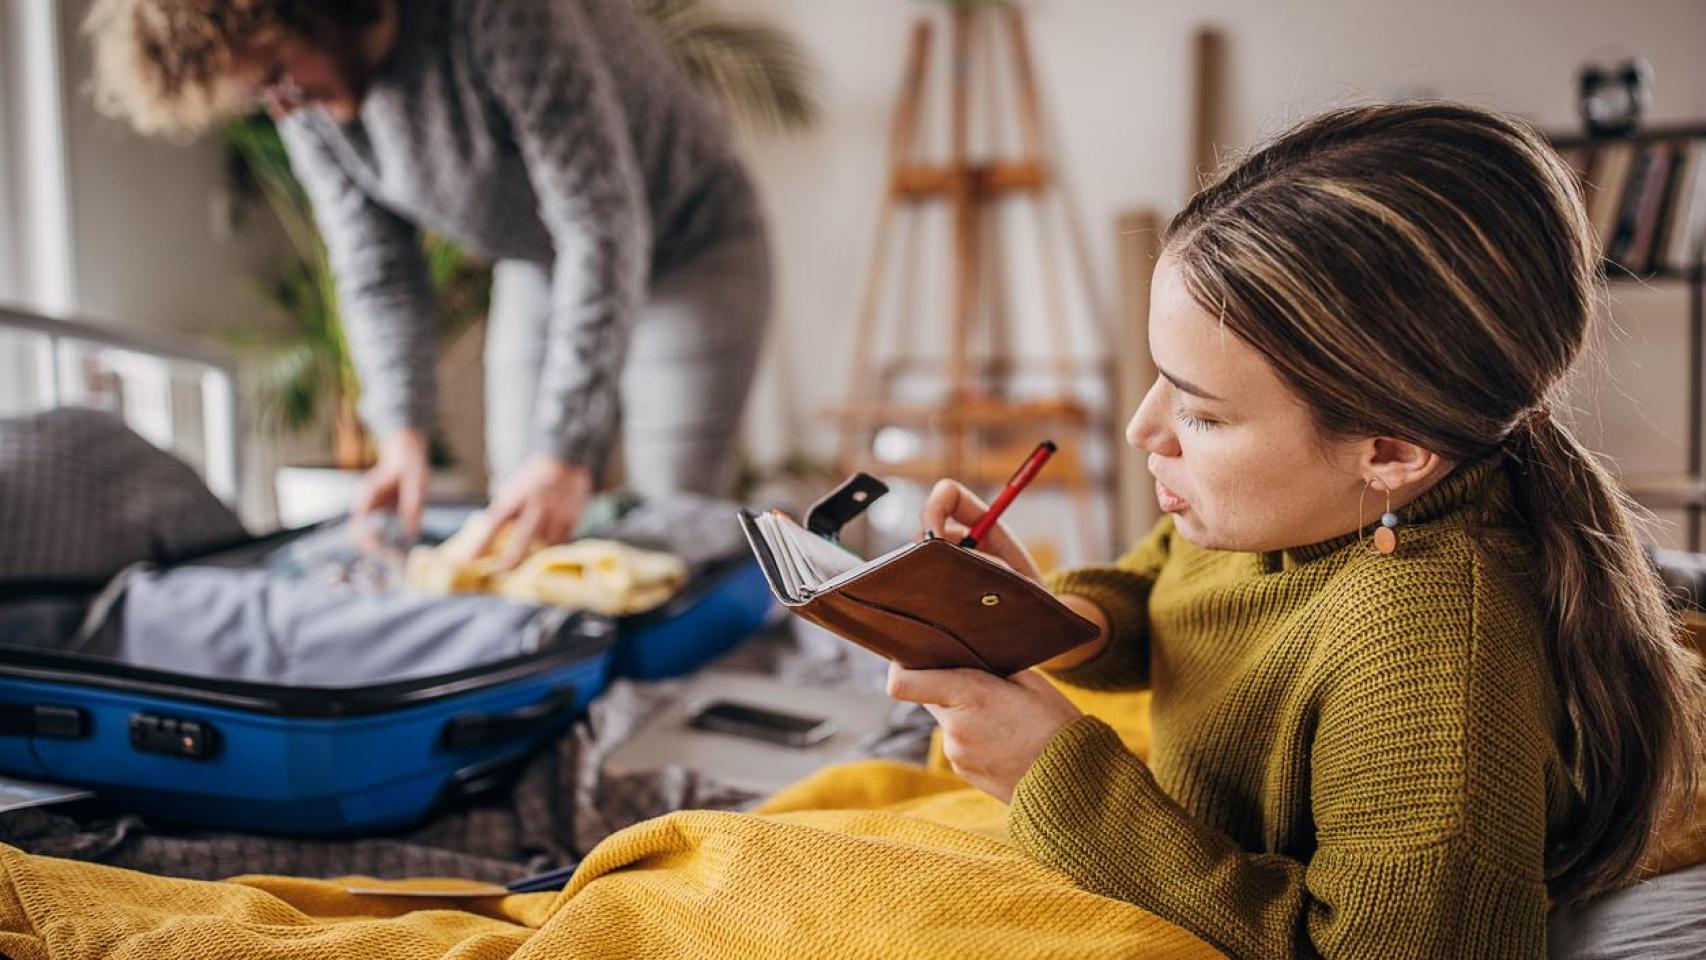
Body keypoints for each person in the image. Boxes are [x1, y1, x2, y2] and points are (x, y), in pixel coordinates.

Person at [888, 102, 1706, 957]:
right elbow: (1171, 589)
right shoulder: (1287, 509)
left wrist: (1056, 780)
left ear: (1390, 451)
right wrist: (1044, 618)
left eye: (1201, 415)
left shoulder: (1427, 662)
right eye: (1163, 380)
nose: (1142, 429)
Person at [88, 0, 770, 567]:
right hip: (542, 262)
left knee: (673, 514)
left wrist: (567, 449)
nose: (286, 107)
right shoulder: (304, 109)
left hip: (691, 242)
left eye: (278, 73)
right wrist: (402, 434)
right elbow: (375, 265)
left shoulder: (498, 15)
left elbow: (600, 220)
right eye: (263, 95)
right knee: (516, 512)